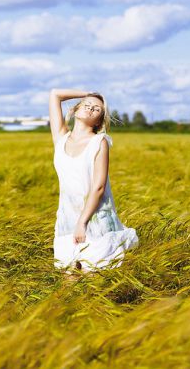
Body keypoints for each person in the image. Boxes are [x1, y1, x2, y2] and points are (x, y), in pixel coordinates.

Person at [48, 89, 139, 275]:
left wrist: (83, 221)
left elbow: (99, 187)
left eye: (96, 109)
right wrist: (88, 93)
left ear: (99, 120)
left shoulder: (99, 142)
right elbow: (55, 95)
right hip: (67, 219)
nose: (90, 108)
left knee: (95, 279)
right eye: (86, 105)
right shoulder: (61, 137)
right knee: (69, 279)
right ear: (76, 109)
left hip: (96, 219)